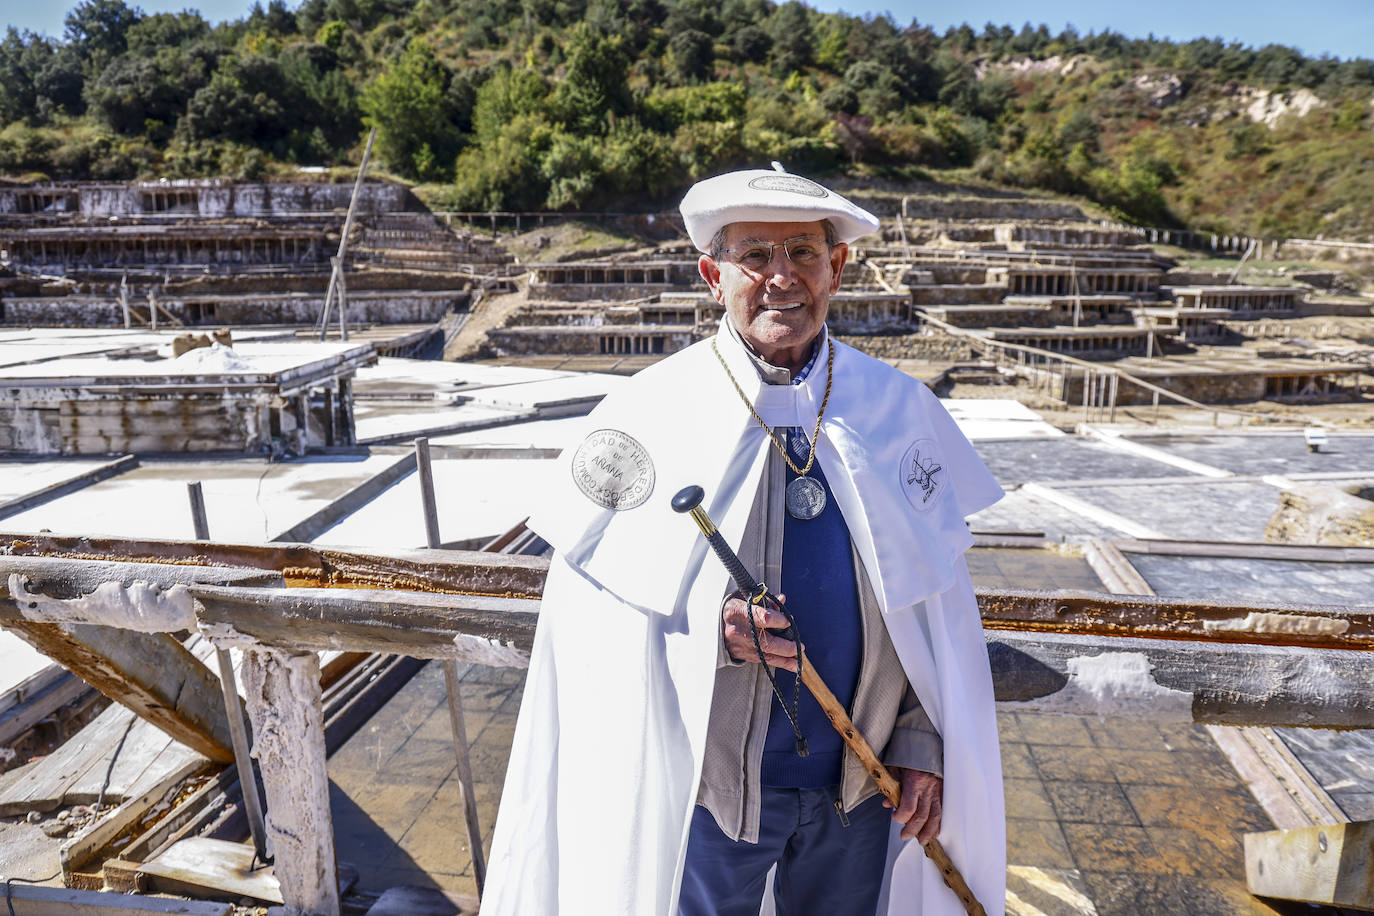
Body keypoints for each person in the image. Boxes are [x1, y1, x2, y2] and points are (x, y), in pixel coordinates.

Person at [483, 166, 1006, 916]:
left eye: (802, 251)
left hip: (860, 792)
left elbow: (933, 621)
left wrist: (922, 749)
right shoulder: (651, 413)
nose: (780, 276)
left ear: (839, 267)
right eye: (755, 256)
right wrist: (710, 631)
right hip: (706, 790)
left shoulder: (897, 414)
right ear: (712, 275)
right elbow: (593, 629)